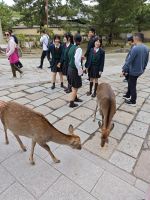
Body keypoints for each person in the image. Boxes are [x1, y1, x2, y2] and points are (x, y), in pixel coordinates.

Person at [122, 32, 149, 106]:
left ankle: (133, 101)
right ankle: (128, 95)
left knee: (132, 85)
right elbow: (146, 61)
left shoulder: (135, 48)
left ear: (136, 38)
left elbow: (129, 61)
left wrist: (124, 70)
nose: (132, 38)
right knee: (131, 83)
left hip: (133, 71)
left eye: (133, 37)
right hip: (140, 70)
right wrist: (143, 69)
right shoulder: (146, 48)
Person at [67, 34, 83, 108]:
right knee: (75, 87)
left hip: (70, 68)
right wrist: (80, 71)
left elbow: (71, 57)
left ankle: (75, 98)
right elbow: (76, 61)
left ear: (74, 39)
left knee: (73, 85)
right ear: (80, 40)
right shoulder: (78, 49)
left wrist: (80, 58)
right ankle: (71, 103)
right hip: (74, 70)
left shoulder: (71, 47)